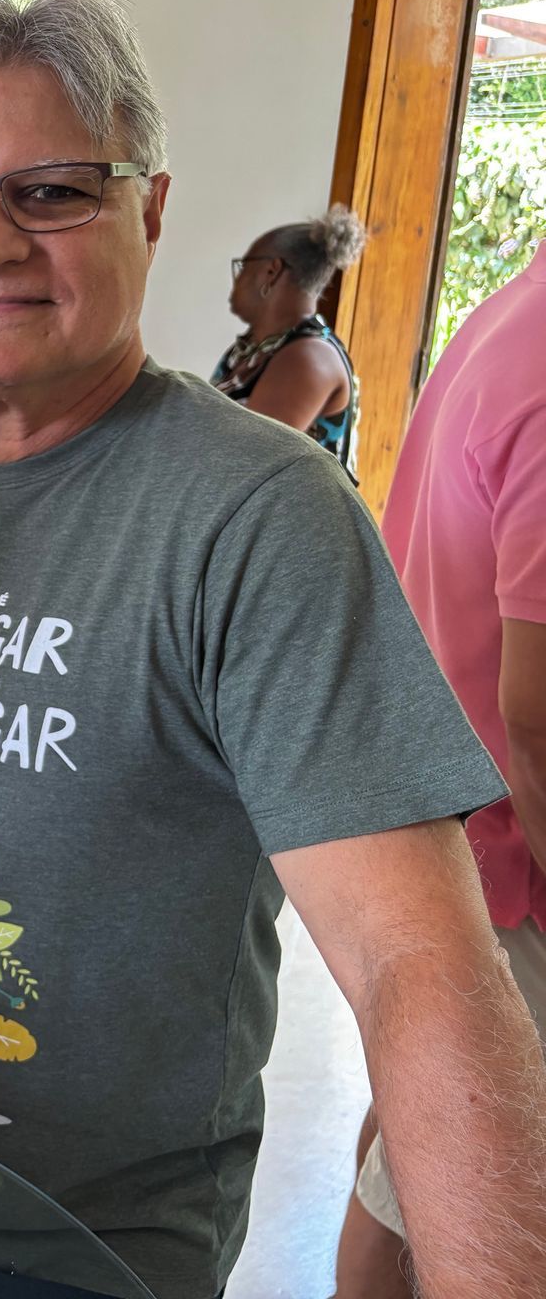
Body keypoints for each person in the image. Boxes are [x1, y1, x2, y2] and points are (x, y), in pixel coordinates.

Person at [0, 0, 546, 1298]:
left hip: (71, 1253)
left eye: (54, 190)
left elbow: (416, 962)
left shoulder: (254, 515)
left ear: (154, 206)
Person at [336, 243, 546, 1295]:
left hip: (448, 812)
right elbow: (539, 716)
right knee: (461, 1176)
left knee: (414, 1135)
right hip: (509, 853)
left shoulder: (512, 313)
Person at [214, 205, 367, 481]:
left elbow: (244, 465)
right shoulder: (254, 350)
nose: (236, 281)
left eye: (244, 267)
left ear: (271, 272)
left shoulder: (308, 358)